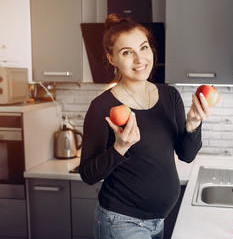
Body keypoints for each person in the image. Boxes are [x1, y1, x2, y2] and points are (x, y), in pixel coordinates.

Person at [79, 13, 211, 239]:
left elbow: (186, 155)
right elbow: (88, 174)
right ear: (112, 59)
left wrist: (193, 124)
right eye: (127, 52)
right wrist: (119, 148)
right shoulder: (102, 107)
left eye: (143, 47)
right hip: (120, 222)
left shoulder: (170, 96)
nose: (140, 59)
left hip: (158, 222)